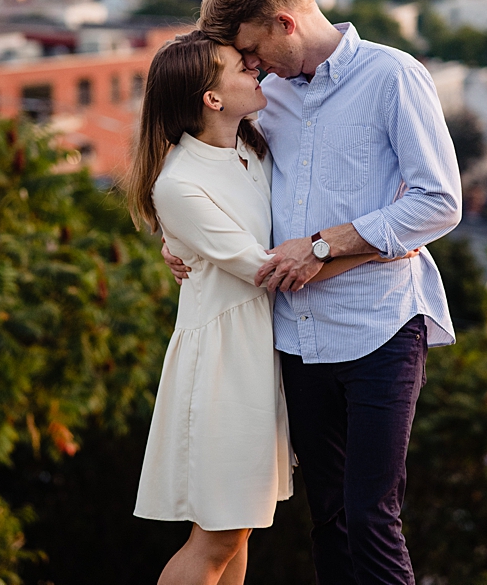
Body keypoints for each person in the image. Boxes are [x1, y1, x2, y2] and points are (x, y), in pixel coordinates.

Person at [163, 0, 462, 585]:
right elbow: (211, 168)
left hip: (381, 329)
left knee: (372, 516)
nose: (253, 66)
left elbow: (439, 202)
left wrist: (331, 244)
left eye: (253, 50)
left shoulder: (393, 77)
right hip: (295, 340)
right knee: (327, 517)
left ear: (283, 23)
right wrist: (184, 240)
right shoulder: (264, 96)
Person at [127, 31, 412, 585]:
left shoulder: (248, 148)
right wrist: (378, 246)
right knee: (216, 539)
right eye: (240, 68)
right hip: (222, 367)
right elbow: (268, 270)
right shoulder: (180, 183)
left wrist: (179, 244)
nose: (255, 70)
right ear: (212, 98)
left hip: (263, 356)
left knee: (240, 532)